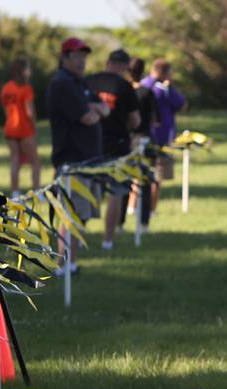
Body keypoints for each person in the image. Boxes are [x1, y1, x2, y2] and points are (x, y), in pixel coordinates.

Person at [47, 37, 109, 274]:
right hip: (71, 161)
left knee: (80, 216)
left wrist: (96, 109)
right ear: (64, 58)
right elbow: (89, 116)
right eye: (77, 56)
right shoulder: (62, 84)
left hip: (87, 161)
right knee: (70, 215)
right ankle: (63, 265)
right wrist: (95, 110)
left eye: (85, 56)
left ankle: (71, 263)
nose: (82, 60)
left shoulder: (78, 82)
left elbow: (104, 107)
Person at [86, 48, 140, 250]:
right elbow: (135, 121)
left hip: (91, 146)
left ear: (107, 62)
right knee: (115, 193)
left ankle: (79, 240)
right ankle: (107, 241)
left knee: (86, 193)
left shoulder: (88, 81)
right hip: (118, 146)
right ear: (125, 67)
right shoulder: (125, 86)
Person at [141, 59, 186, 214]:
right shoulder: (163, 88)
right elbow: (181, 104)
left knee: (138, 174)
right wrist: (171, 87)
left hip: (142, 136)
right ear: (163, 72)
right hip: (161, 138)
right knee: (157, 177)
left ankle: (132, 207)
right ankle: (151, 209)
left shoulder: (142, 84)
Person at [125, 57, 158, 232]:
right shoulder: (147, 92)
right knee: (145, 181)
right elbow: (155, 119)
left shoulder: (123, 90)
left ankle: (119, 223)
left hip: (127, 140)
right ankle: (144, 223)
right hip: (144, 138)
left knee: (123, 181)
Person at [0, 57, 41, 198]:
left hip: (10, 128)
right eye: (28, 68)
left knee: (15, 160)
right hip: (24, 129)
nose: (30, 71)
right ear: (23, 71)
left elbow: (5, 110)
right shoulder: (26, 88)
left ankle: (15, 193)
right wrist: (34, 127)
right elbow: (30, 111)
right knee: (35, 162)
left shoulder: (6, 88)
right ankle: (37, 191)